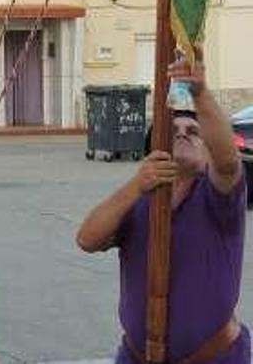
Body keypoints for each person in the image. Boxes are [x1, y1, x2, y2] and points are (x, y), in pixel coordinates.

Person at [76, 57, 249, 364]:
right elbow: (87, 239)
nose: (181, 133)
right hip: (136, 356)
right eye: (173, 129)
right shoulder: (139, 198)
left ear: (207, 152)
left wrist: (200, 92)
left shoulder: (218, 199)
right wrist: (135, 186)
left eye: (193, 131)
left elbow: (228, 162)